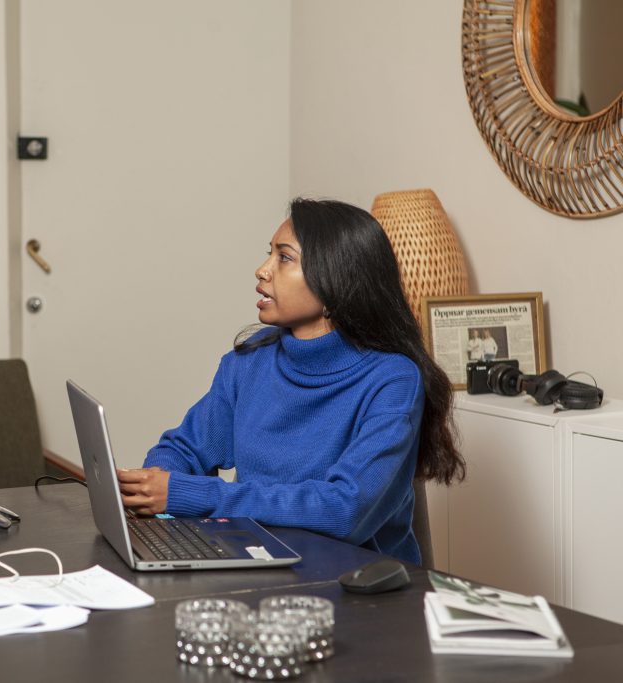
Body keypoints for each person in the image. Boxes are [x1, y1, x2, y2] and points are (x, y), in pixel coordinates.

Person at [117, 198, 465, 563]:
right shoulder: (250, 360)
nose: (262, 270)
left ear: (336, 278)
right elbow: (184, 447)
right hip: (260, 561)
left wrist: (193, 495)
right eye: (269, 255)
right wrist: (156, 482)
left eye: (284, 258)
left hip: (359, 584)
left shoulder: (392, 380)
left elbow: (345, 510)